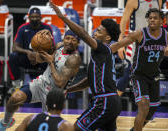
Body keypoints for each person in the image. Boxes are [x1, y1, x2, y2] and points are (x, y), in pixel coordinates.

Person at [50, 1, 122, 131]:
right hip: (112, 102)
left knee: (77, 128)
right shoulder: (102, 55)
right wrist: (69, 89)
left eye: (99, 31)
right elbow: (89, 81)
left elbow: (82, 33)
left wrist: (62, 17)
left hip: (104, 102)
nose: (95, 32)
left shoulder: (103, 48)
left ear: (107, 38)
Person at [0, 29, 81, 131]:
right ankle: (5, 122)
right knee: (15, 98)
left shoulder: (74, 59)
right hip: (41, 83)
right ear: (64, 39)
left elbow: (60, 83)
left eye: (73, 40)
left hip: (55, 93)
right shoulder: (59, 46)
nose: (70, 42)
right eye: (67, 38)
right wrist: (40, 47)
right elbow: (37, 60)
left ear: (78, 43)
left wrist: (50, 63)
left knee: (47, 124)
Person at [111, 8, 168, 131]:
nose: (152, 20)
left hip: (154, 76)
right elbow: (117, 45)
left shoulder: (167, 36)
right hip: (138, 75)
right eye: (150, 18)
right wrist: (101, 51)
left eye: (155, 18)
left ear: (162, 21)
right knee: (143, 106)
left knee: (151, 109)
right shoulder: (139, 34)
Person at [117, 0, 163, 96]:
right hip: (135, 41)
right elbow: (124, 20)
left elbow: (159, 21)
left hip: (152, 41)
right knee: (129, 71)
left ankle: (145, 104)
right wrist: (120, 44)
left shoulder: (158, 1)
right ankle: (112, 101)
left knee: (151, 72)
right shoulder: (133, 1)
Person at [8, 7, 53, 90]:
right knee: (13, 56)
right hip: (27, 58)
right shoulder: (22, 28)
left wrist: (40, 54)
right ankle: (16, 84)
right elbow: (14, 47)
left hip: (42, 59)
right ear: (28, 18)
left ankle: (50, 83)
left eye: (37, 17)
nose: (34, 19)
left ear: (41, 17)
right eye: (32, 17)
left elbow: (52, 47)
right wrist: (27, 52)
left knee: (53, 57)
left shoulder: (47, 28)